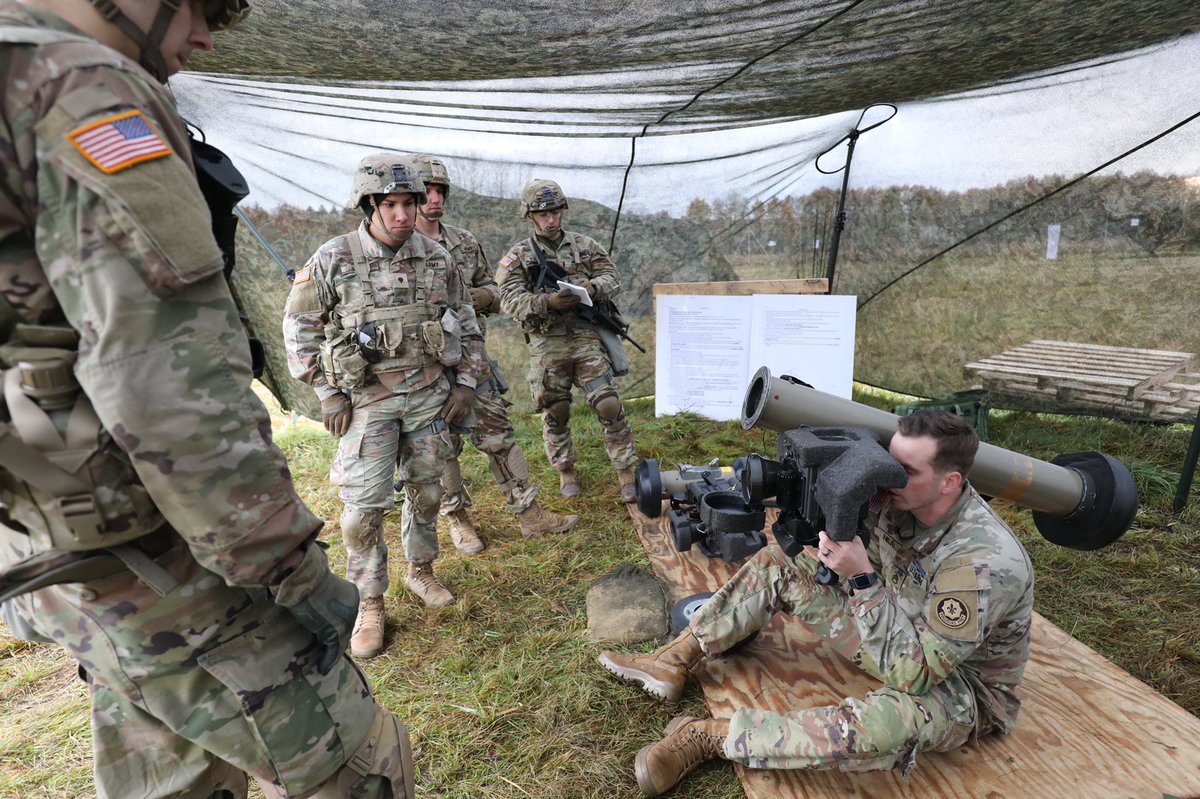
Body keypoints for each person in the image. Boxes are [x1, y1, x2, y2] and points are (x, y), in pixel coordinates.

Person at [0, 1, 414, 797]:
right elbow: (168, 386)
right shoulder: (77, 87)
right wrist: (294, 572)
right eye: (202, 4)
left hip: (51, 553)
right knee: (364, 767)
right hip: (165, 561)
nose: (206, 37)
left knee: (168, 768)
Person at [598, 410, 1034, 797]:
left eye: (904, 470)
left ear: (950, 482)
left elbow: (914, 673)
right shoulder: (900, 498)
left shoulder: (981, 562)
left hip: (953, 682)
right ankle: (675, 658)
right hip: (889, 626)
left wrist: (860, 578)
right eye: (888, 462)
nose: (887, 477)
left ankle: (716, 738)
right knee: (779, 564)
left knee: (885, 727)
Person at [282, 151, 487, 659]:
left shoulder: (438, 259)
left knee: (428, 493)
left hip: (427, 398)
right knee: (361, 511)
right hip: (368, 403)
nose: (402, 215)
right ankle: (370, 599)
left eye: (409, 204)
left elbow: (465, 320)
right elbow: (298, 328)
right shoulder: (334, 257)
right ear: (369, 205)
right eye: (390, 205)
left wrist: (465, 383)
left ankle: (421, 571)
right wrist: (326, 390)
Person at [405, 154, 578, 551]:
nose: (434, 199)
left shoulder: (463, 242)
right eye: (426, 192)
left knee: (498, 434)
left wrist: (470, 298)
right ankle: (457, 518)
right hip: (423, 366)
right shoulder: (398, 248)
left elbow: (497, 291)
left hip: (470, 355)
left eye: (440, 191)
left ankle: (528, 512)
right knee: (442, 445)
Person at [496, 179, 639, 502]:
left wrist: (591, 288)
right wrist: (547, 303)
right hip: (548, 342)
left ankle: (626, 470)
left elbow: (612, 277)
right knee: (556, 409)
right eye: (544, 214)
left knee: (608, 403)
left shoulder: (584, 245)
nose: (551, 219)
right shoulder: (519, 256)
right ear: (530, 216)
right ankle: (566, 470)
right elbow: (508, 298)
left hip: (585, 336)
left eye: (556, 212)